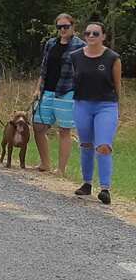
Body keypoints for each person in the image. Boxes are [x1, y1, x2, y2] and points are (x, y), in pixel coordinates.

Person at [69, 22, 122, 206]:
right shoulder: (75, 56)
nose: (91, 36)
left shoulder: (112, 58)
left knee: (103, 145)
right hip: (82, 103)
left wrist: (118, 108)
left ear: (103, 36)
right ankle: (87, 183)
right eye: (88, 33)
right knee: (86, 144)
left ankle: (105, 188)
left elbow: (117, 85)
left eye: (95, 33)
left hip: (106, 105)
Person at [33, 13, 84, 175]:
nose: (62, 29)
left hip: (66, 91)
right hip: (47, 90)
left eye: (66, 26)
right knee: (38, 125)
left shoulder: (80, 46)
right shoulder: (50, 43)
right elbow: (44, 68)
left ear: (73, 27)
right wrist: (37, 88)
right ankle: (45, 163)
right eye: (59, 27)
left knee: (64, 130)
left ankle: (61, 169)